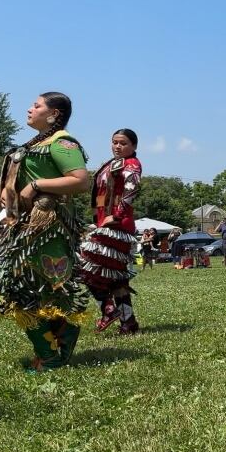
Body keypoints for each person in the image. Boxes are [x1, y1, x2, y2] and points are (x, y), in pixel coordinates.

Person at [0, 92, 91, 372]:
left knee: (29, 288)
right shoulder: (36, 143)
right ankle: (56, 341)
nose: (30, 109)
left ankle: (52, 354)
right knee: (19, 287)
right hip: (24, 225)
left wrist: (38, 184)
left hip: (47, 227)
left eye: (37, 105)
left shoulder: (62, 142)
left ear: (54, 114)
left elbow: (80, 181)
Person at [80, 128, 143, 335]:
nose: (117, 146)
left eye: (123, 143)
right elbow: (100, 195)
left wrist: (116, 215)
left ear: (133, 146)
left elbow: (131, 189)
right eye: (114, 142)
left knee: (84, 267)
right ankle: (128, 322)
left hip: (116, 225)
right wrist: (97, 218)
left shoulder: (131, 164)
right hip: (104, 224)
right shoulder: (110, 164)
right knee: (116, 277)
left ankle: (108, 309)